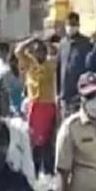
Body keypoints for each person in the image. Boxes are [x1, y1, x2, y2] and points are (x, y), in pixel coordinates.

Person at [17, 35, 59, 177]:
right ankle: (33, 170)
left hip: (48, 106)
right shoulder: (29, 63)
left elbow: (57, 52)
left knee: (48, 141)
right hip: (34, 106)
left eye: (42, 51)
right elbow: (18, 51)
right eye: (37, 51)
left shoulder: (50, 64)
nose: (40, 53)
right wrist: (31, 40)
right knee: (33, 141)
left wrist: (47, 42)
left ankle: (49, 171)